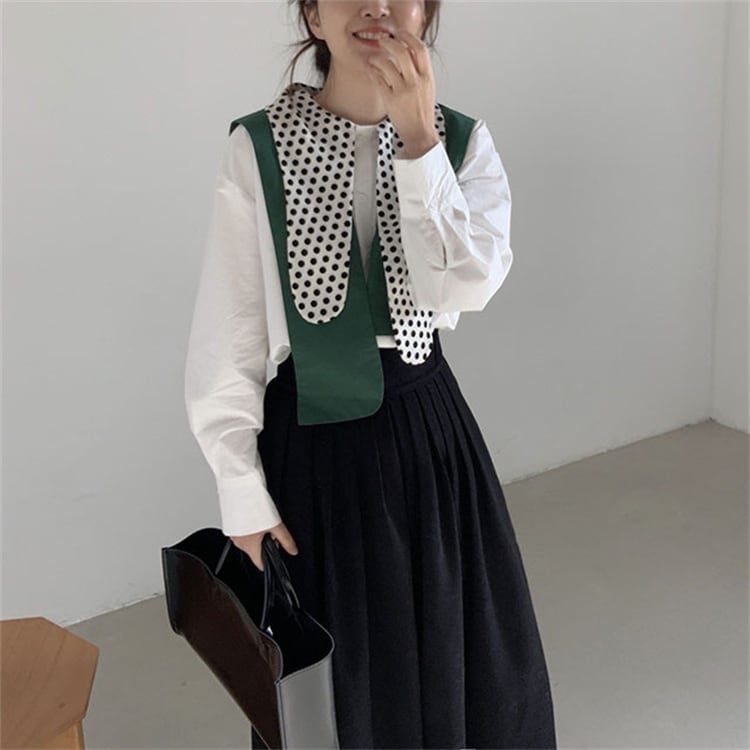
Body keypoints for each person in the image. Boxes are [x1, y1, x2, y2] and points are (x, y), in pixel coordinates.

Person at [184, 0, 557, 747]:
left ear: (425, 15)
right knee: (333, 684)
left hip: (427, 437)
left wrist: (419, 142)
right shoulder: (257, 145)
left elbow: (465, 289)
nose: (376, 5)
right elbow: (231, 328)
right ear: (313, 15)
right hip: (309, 445)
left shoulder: (460, 141)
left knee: (459, 655)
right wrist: (240, 488)